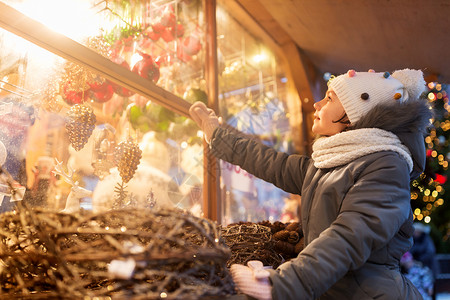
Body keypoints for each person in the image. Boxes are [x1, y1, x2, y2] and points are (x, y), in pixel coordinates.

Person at [189, 68, 432, 299]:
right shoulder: (335, 161)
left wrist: (282, 284)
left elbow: (349, 237)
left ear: (354, 114)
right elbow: (274, 164)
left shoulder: (386, 167)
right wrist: (217, 136)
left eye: (329, 99)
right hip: (330, 290)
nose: (317, 105)